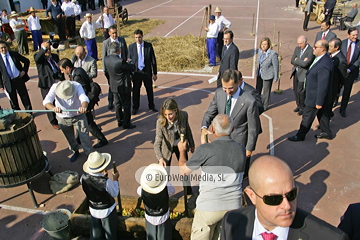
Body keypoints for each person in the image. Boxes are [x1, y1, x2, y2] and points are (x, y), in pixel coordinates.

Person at [220, 155, 349, 240]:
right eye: (274, 199)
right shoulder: (232, 222)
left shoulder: (330, 238)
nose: (287, 206)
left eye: (291, 194)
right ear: (252, 196)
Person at [178, 114, 246, 240]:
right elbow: (222, 155)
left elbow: (183, 171)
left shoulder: (205, 150)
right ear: (232, 129)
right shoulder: (241, 149)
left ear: (213, 130)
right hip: (232, 208)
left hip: (209, 208)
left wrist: (182, 151)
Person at [201, 69, 261, 160]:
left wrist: (249, 148)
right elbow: (210, 113)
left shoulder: (249, 101)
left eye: (231, 88)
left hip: (238, 142)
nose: (228, 91)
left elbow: (253, 128)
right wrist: (204, 127)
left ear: (238, 83)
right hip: (221, 139)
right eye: (225, 88)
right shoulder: (219, 93)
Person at [288, 40, 334, 141]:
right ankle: (327, 132)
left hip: (315, 97)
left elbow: (323, 85)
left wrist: (319, 101)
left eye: (315, 47)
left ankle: (300, 135)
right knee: (322, 114)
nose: (313, 48)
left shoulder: (324, 64)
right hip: (317, 96)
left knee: (307, 117)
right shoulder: (322, 59)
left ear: (322, 49)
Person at [58, 58, 108, 148]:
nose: (62, 72)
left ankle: (102, 139)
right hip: (88, 99)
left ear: (67, 68)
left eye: (62, 70)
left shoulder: (77, 77)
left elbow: (82, 91)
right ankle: (79, 139)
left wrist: (82, 105)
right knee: (82, 121)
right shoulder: (77, 70)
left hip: (86, 101)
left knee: (88, 122)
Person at [43, 80, 93, 162]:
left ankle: (89, 154)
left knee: (84, 136)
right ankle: (75, 151)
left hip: (78, 115)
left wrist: (83, 107)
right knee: (69, 137)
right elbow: (46, 101)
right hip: (63, 117)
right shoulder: (55, 87)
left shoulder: (77, 85)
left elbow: (84, 98)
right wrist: (53, 108)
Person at [154, 98, 194, 194]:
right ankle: (163, 194)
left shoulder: (184, 115)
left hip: (181, 145)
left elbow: (188, 130)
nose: (168, 117)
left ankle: (188, 193)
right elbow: (157, 142)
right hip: (166, 148)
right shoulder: (160, 122)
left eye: (170, 114)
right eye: (165, 115)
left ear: (176, 110)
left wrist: (191, 144)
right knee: (164, 173)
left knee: (185, 169)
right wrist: (160, 158)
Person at [81, 151, 119, 240]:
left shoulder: (82, 177)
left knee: (95, 234)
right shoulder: (106, 181)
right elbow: (114, 193)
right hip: (107, 210)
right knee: (110, 234)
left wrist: (103, 176)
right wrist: (115, 180)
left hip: (93, 208)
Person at [104, 42, 136, 129]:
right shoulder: (120, 61)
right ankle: (126, 123)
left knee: (117, 104)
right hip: (123, 86)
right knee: (126, 104)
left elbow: (106, 72)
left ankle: (120, 120)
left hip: (114, 86)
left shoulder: (106, 59)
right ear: (118, 50)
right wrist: (131, 62)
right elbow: (132, 68)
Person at [138, 164, 174, 240]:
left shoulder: (141, 190)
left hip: (149, 217)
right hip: (163, 216)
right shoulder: (166, 188)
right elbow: (172, 190)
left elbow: (138, 190)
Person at [128, 29, 158, 114]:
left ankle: (151, 106)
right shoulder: (131, 47)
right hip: (136, 73)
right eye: (136, 37)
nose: (138, 39)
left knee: (149, 90)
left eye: (139, 37)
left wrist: (154, 73)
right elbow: (129, 61)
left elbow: (153, 60)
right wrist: (130, 74)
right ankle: (135, 107)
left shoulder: (148, 46)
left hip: (146, 72)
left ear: (142, 36)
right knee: (136, 90)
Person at [34, 41, 63, 130]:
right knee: (49, 102)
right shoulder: (39, 58)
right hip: (46, 84)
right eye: (46, 49)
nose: (48, 51)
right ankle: (53, 121)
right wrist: (43, 48)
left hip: (56, 81)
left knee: (60, 99)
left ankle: (61, 117)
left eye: (49, 49)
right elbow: (37, 58)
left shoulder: (54, 56)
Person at [0, 41, 32, 110]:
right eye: (1, 48)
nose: (4, 49)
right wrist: (1, 85)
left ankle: (29, 112)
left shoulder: (14, 54)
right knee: (13, 101)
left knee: (24, 97)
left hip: (18, 79)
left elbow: (26, 61)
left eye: (5, 47)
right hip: (8, 82)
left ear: (7, 47)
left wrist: (24, 71)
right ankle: (18, 114)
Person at [102, 26, 128, 110]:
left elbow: (126, 53)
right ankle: (110, 101)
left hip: (122, 67)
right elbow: (104, 57)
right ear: (109, 33)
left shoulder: (121, 40)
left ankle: (123, 101)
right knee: (111, 85)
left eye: (116, 32)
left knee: (123, 85)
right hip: (111, 69)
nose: (114, 34)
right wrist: (105, 70)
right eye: (112, 33)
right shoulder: (106, 43)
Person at [290, 36, 315, 116]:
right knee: (296, 90)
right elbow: (292, 60)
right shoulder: (297, 49)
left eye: (301, 43)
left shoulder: (310, 51)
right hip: (296, 72)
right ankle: (298, 105)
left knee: (301, 91)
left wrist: (297, 60)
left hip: (303, 73)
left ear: (306, 42)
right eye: (298, 43)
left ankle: (302, 107)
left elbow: (305, 63)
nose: (299, 45)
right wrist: (299, 61)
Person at [339, 27, 360, 117]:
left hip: (351, 72)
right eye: (353, 35)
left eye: (356, 35)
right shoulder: (342, 43)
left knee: (347, 91)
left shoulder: (359, 44)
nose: (355, 37)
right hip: (340, 72)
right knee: (336, 89)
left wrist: (350, 69)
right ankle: (334, 102)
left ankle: (343, 108)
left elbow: (359, 59)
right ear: (348, 35)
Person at [256, 37, 279, 111]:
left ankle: (264, 106)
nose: (263, 46)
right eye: (262, 44)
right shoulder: (260, 51)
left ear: (268, 45)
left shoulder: (272, 54)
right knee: (258, 89)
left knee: (266, 92)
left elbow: (276, 66)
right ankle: (257, 102)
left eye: (265, 44)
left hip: (268, 75)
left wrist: (276, 77)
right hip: (260, 74)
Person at [328, 38, 347, 108]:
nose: (328, 48)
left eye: (330, 46)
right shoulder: (330, 54)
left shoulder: (341, 60)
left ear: (337, 48)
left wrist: (338, 86)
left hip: (334, 85)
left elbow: (342, 75)